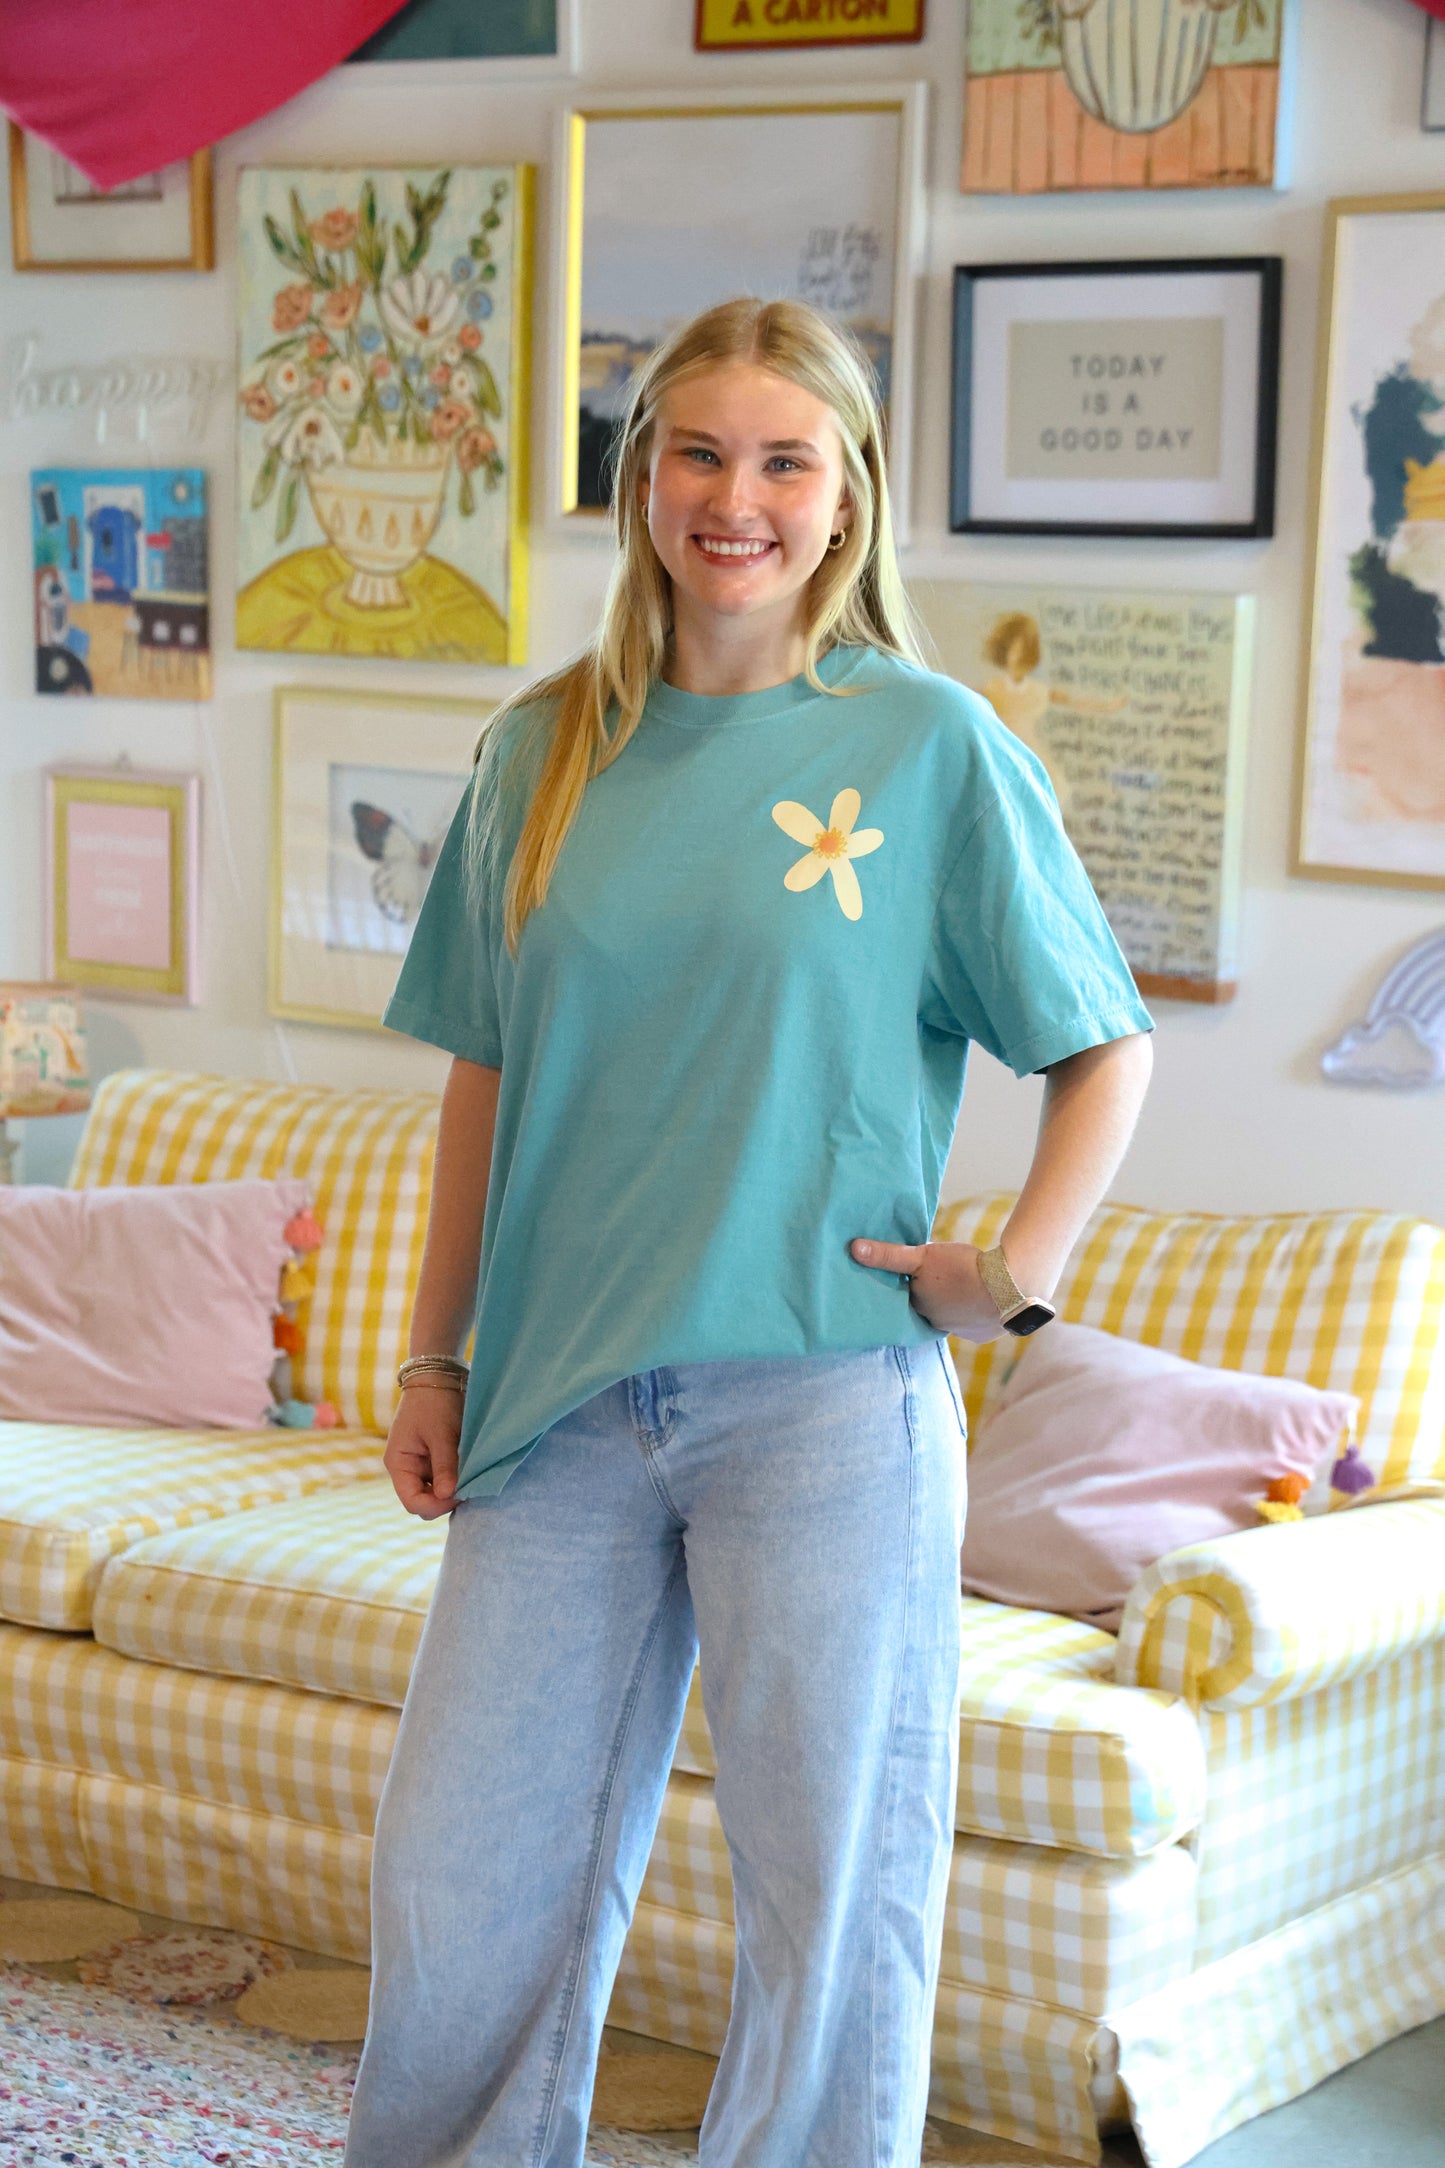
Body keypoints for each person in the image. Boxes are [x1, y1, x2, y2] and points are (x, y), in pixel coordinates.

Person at [342, 296, 1154, 2168]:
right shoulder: (543, 747)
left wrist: (1007, 1274)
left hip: (823, 1402)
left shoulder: (927, 748)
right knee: (461, 1883)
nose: (737, 498)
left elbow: (1100, 1046)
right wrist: (432, 1351)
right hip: (554, 1404)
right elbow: (483, 1071)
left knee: (826, 1905)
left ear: (846, 496)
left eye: (785, 458)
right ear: (643, 485)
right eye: (697, 452)